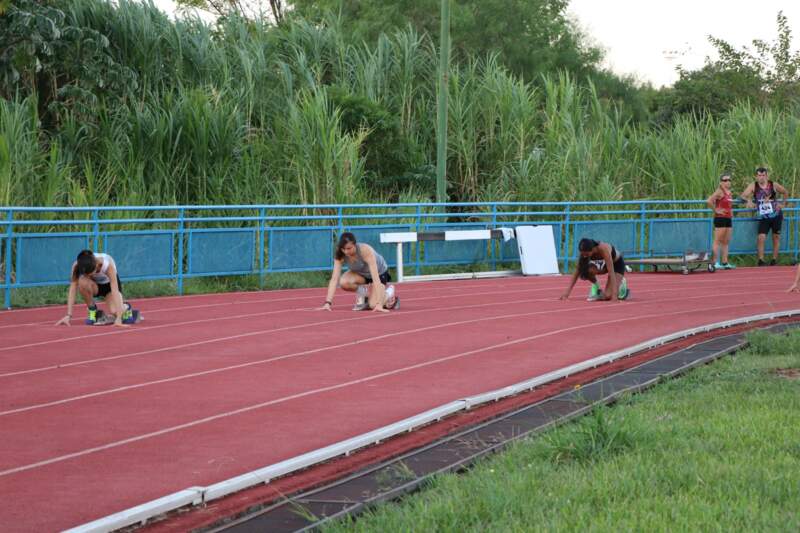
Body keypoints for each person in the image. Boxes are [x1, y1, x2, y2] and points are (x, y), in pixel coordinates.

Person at [319, 232, 399, 312]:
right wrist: (327, 303)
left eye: (349, 248)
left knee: (373, 305)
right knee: (343, 282)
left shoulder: (365, 250)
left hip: (379, 274)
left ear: (355, 245)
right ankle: (364, 294)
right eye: (343, 249)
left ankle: (388, 292)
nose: (346, 252)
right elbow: (334, 279)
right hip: (362, 275)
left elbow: (375, 277)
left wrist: (379, 304)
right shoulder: (340, 254)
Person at [55, 250, 131, 327]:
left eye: (91, 274)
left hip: (109, 287)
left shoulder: (108, 264)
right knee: (82, 281)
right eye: (87, 275)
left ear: (96, 265)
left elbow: (115, 290)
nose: (89, 276)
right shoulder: (78, 265)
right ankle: (92, 310)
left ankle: (126, 307)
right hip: (95, 286)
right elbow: (73, 289)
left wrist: (119, 318)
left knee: (115, 311)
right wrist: (68, 315)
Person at [741, 166, 788, 266]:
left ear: (766, 176)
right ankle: (761, 260)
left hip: (776, 215)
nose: (761, 177)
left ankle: (774, 260)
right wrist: (749, 201)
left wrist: (783, 204)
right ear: (756, 176)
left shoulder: (773, 184)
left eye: (763, 175)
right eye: (759, 175)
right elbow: (743, 195)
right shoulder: (753, 186)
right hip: (764, 217)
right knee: (761, 237)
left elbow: (785, 192)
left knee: (776, 237)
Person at [560, 238, 628, 302]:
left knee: (608, 296)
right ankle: (597, 287)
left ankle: (621, 284)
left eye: (586, 254)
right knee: (585, 270)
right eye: (583, 254)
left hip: (616, 265)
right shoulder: (584, 252)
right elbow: (577, 272)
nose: (584, 256)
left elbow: (611, 272)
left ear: (592, 249)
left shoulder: (604, 249)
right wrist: (566, 293)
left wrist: (615, 295)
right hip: (603, 266)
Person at [707, 173, 736, 270]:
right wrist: (716, 210)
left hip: (728, 218)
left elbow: (729, 204)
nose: (728, 182)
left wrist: (731, 212)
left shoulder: (729, 192)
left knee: (726, 241)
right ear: (721, 182)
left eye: (729, 180)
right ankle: (715, 262)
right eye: (725, 180)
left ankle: (725, 262)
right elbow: (709, 201)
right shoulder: (719, 191)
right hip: (720, 218)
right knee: (717, 241)